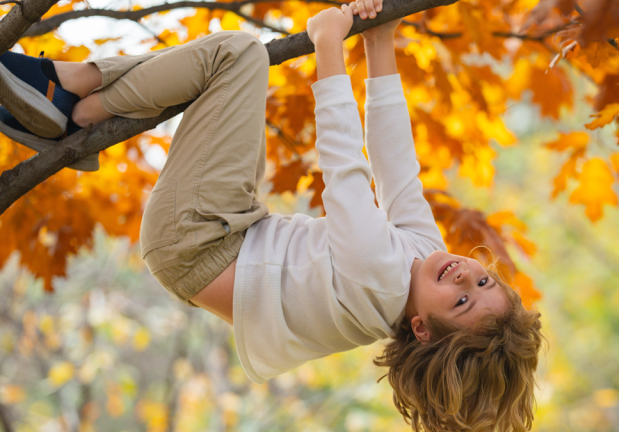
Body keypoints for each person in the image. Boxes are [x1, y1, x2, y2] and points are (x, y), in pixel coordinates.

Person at [0, 0, 543, 429]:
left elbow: (347, 174)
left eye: (464, 299)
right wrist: (381, 43)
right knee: (218, 71)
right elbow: (397, 164)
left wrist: (329, 47)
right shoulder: (424, 258)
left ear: (422, 329)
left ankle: (70, 98)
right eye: (484, 278)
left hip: (195, 241)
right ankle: (73, 105)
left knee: (237, 55)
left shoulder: (378, 282)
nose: (464, 273)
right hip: (234, 224)